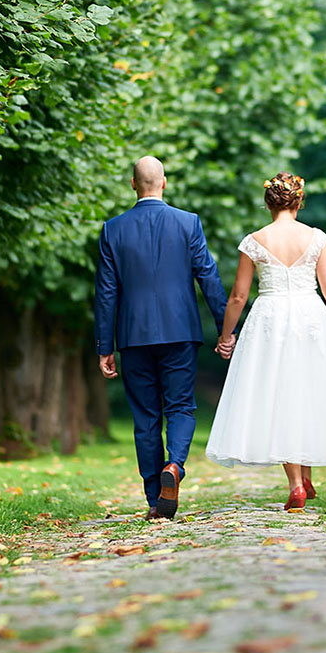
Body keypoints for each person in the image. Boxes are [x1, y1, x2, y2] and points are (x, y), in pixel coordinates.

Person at [205, 172, 326, 509]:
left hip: (269, 318)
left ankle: (297, 483)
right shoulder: (316, 238)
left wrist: (226, 336)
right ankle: (304, 477)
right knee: (306, 389)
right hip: (310, 317)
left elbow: (238, 296)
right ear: (299, 200)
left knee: (280, 392)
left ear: (269, 202)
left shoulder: (255, 240)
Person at [94, 156, 232, 519]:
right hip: (180, 331)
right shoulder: (188, 223)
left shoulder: (113, 229)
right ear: (164, 183)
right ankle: (176, 466)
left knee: (145, 416)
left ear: (132, 184)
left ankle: (155, 499)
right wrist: (226, 329)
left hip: (133, 336)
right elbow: (209, 278)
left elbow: (107, 293)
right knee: (181, 406)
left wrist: (103, 347)